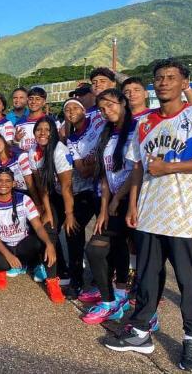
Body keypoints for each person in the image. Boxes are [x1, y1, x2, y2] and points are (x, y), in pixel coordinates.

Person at [104, 60, 192, 373]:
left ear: (184, 83)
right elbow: (138, 167)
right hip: (150, 215)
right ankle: (141, 331)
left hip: (184, 218)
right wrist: (132, 205)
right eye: (159, 78)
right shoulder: (145, 124)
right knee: (147, 275)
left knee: (188, 282)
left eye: (171, 77)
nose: (164, 82)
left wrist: (170, 167)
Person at [81, 89, 135, 324]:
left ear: (123, 102)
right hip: (112, 201)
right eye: (102, 108)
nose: (106, 111)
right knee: (97, 249)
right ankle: (111, 298)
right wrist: (104, 208)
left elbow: (137, 170)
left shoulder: (136, 130)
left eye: (111, 105)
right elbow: (105, 176)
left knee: (121, 247)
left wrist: (117, 198)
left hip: (132, 200)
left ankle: (120, 295)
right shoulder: (107, 133)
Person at [0, 167, 64, 303]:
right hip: (2, 244)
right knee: (1, 263)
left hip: (21, 243)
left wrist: (49, 244)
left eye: (8, 181)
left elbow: (37, 226)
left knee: (44, 243)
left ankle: (52, 282)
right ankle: (0, 269)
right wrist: (8, 255)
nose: (3, 184)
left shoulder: (24, 199)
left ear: (14, 183)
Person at [27, 117, 78, 287]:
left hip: (75, 194)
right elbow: (41, 185)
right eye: (38, 129)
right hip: (53, 193)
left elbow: (67, 187)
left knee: (71, 230)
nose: (42, 133)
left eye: (47, 129)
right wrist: (46, 211)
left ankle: (75, 273)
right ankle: (58, 271)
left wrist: (69, 214)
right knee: (49, 227)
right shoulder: (33, 150)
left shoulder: (59, 150)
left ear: (54, 132)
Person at [61, 98, 101, 298]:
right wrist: (95, 161)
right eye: (67, 109)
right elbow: (83, 172)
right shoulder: (72, 140)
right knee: (73, 229)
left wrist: (95, 159)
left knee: (111, 236)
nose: (71, 111)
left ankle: (106, 279)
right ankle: (76, 280)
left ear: (84, 110)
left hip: (108, 187)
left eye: (75, 107)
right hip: (87, 189)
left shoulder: (98, 123)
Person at [0, 130, 40, 208]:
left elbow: (31, 185)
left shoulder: (19, 155)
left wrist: (38, 205)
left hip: (31, 193)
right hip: (11, 195)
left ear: (2, 139)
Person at [15, 86, 52, 152]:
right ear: (27, 101)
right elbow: (14, 146)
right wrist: (16, 140)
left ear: (44, 102)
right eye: (31, 99)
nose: (33, 102)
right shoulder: (19, 124)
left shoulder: (51, 122)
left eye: (38, 99)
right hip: (24, 160)